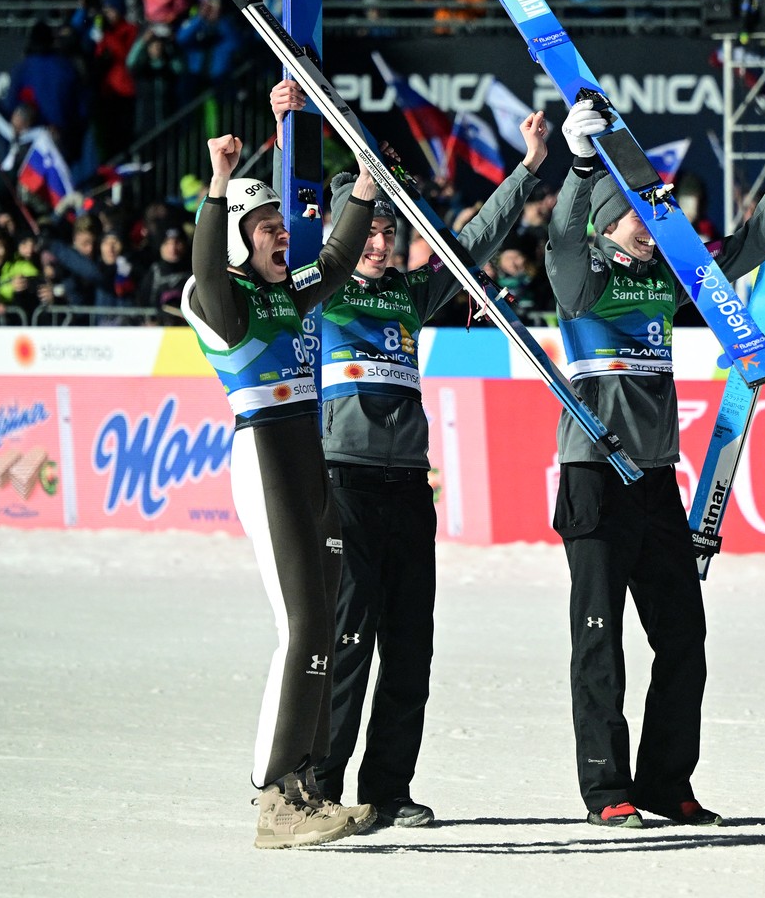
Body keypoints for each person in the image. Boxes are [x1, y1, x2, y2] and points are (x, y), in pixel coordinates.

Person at [543, 98, 765, 829]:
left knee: (683, 641)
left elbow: (749, 248)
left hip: (656, 482)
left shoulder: (665, 278)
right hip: (594, 476)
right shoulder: (582, 279)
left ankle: (665, 780)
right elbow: (563, 233)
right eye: (637, 212)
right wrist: (583, 163)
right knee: (599, 642)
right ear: (608, 220)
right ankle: (607, 790)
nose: (654, 222)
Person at [305, 83, 552, 828]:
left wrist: (531, 165)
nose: (380, 242)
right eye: (369, 230)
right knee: (348, 641)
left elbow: (473, 243)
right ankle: (320, 785)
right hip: (343, 481)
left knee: (410, 646)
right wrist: (288, 129)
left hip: (409, 486)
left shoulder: (410, 296)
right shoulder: (318, 291)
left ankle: (389, 788)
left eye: (389, 230)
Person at [181, 84, 381, 850]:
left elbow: (332, 256)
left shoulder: (291, 296)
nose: (277, 235)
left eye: (277, 224)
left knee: (324, 627)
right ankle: (274, 798)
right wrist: (220, 185)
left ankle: (302, 783)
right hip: (264, 453)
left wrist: (360, 187)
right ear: (236, 240)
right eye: (262, 228)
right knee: (302, 626)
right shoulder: (220, 301)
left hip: (309, 456)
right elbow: (207, 260)